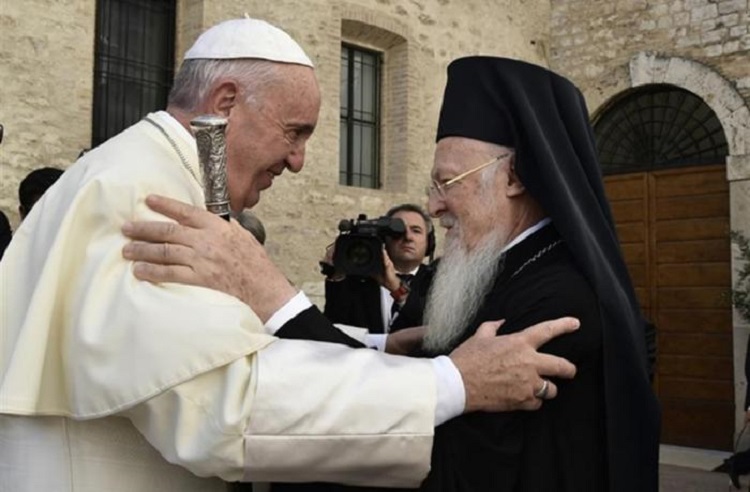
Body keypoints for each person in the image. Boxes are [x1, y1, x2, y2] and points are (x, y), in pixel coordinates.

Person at [0, 19, 579, 491]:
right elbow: (224, 409)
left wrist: (379, 346)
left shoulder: (164, 175)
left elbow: (205, 348)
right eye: (295, 132)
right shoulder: (144, 195)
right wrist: (451, 383)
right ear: (225, 103)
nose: (299, 161)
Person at [122, 56, 661, 492]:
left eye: (447, 182)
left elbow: (433, 454)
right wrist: (392, 352)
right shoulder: (484, 274)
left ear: (515, 177)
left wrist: (271, 294)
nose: (434, 206)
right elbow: (402, 397)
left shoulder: (557, 300)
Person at [323, 203, 436, 334]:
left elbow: (434, 329)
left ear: (429, 242)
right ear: (384, 239)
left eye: (416, 230)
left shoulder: (439, 281)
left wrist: (396, 288)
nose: (408, 237)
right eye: (398, 231)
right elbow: (333, 329)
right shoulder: (357, 281)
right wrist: (336, 274)